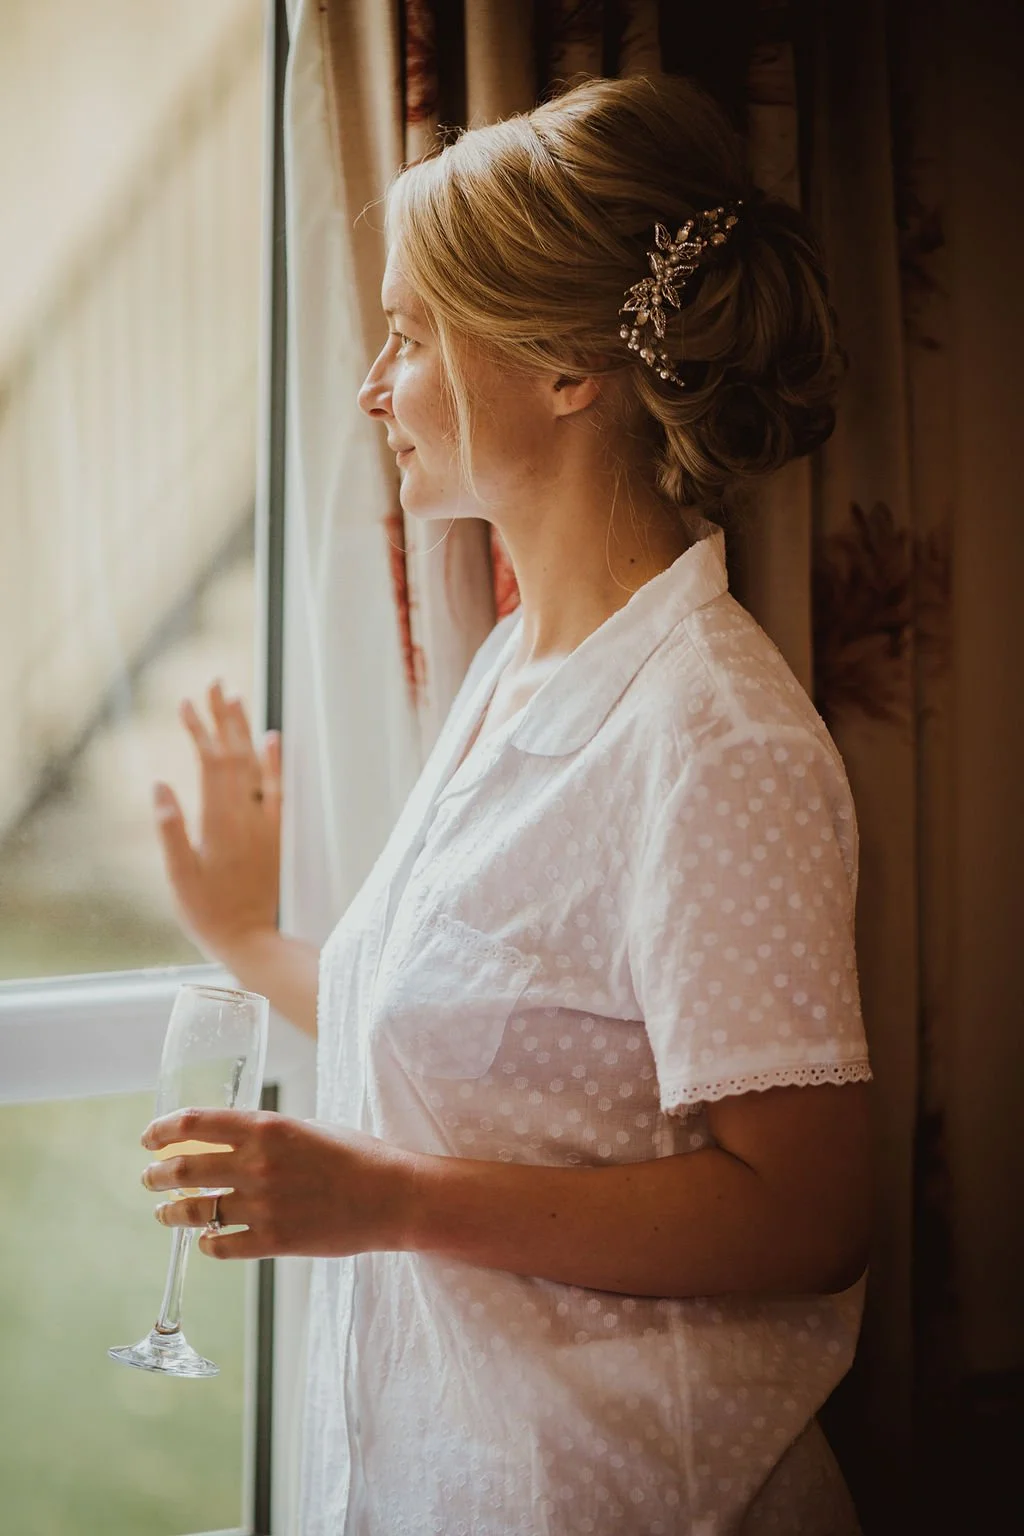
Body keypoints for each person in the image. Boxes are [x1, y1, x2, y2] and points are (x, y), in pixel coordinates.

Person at [143, 74, 872, 1535]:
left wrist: (391, 1202)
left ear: (563, 371)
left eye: (411, 335)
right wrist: (247, 938)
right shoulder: (512, 670)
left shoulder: (714, 741)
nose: (372, 384)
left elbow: (807, 1217)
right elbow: (482, 1053)